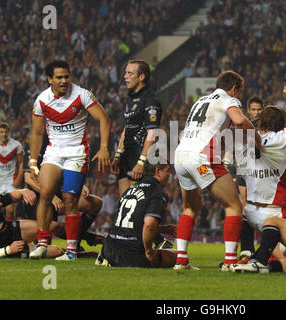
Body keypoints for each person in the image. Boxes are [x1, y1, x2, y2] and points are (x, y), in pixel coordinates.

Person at [173, 70, 260, 271]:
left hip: (180, 155)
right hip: (202, 158)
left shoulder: (201, 100)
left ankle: (181, 260)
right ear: (234, 88)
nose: (241, 96)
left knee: (190, 207)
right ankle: (229, 261)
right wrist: (255, 136)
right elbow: (238, 120)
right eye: (241, 91)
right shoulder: (229, 99)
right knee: (234, 206)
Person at [29, 60, 111, 260]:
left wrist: (104, 148)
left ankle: (72, 251)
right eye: (59, 77)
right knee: (46, 194)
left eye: (66, 76)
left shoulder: (82, 95)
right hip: (54, 152)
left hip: (77, 152)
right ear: (49, 79)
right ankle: (42, 244)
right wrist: (32, 162)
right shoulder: (41, 100)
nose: (64, 80)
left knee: (69, 199)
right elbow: (37, 133)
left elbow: (104, 119)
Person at [237, 83, 286, 260]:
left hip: (248, 212)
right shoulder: (283, 138)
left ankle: (247, 254)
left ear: (261, 122)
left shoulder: (243, 139)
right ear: (282, 126)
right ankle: (266, 258)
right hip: (273, 214)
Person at [96, 162, 177, 268]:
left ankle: (104, 258)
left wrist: (162, 229)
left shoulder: (130, 189)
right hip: (131, 255)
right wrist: (149, 251)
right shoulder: (157, 192)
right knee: (177, 256)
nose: (169, 175)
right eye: (167, 171)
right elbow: (149, 225)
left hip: (109, 249)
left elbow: (133, 224)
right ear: (158, 171)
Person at [111, 59, 162, 197]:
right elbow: (127, 129)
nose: (125, 76)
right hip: (125, 160)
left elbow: (152, 133)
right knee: (123, 205)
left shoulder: (150, 101)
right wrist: (118, 155)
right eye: (125, 73)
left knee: (135, 206)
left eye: (129, 73)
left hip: (138, 161)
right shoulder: (130, 100)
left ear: (141, 77)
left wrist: (141, 162)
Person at [0, 187, 63, 259]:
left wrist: (24, 191)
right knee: (57, 251)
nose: (1, 204)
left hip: (9, 230)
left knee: (53, 226)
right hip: (4, 245)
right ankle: (71, 252)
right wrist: (9, 249)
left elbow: (14, 195)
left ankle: (74, 242)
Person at [237, 96, 264, 258]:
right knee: (246, 208)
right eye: (253, 109)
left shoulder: (266, 127)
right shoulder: (243, 127)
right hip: (245, 172)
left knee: (261, 208)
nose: (256, 112)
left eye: (259, 109)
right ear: (248, 110)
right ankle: (247, 249)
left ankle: (264, 247)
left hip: (261, 173)